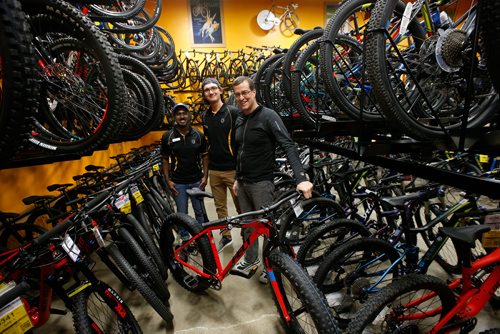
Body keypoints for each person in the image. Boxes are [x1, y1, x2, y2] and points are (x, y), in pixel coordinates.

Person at [230, 76, 313, 283]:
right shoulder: (239, 118)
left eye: (245, 93)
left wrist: (300, 177)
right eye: (237, 94)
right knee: (248, 226)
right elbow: (239, 151)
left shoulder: (268, 116)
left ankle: (272, 265)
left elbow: (288, 145)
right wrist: (236, 179)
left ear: (254, 92)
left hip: (261, 184)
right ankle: (251, 260)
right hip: (243, 183)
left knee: (269, 229)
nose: (241, 98)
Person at [201, 78, 241, 252]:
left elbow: (240, 143)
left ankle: (248, 233)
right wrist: (206, 172)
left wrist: (240, 170)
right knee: (220, 207)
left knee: (241, 206)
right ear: (204, 94)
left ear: (220, 90)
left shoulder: (233, 112)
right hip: (215, 171)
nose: (211, 92)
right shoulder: (205, 116)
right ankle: (226, 236)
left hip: (232, 170)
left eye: (213, 88)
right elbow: (209, 145)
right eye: (207, 90)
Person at [161, 103, 208, 241]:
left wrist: (205, 177)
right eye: (178, 114)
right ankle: (185, 238)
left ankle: (201, 238)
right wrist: (168, 180)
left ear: (189, 115)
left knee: (199, 212)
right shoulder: (167, 137)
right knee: (182, 214)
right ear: (174, 117)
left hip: (196, 181)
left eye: (184, 113)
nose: (182, 116)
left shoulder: (198, 135)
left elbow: (205, 155)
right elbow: (164, 159)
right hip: (178, 183)